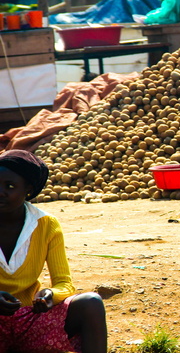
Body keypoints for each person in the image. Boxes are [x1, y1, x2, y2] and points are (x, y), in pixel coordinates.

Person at [0, 150, 107, 353]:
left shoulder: (46, 225)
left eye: (10, 186)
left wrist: (50, 295)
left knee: (91, 303)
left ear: (28, 190)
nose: (0, 192)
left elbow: (64, 283)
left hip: (30, 318)